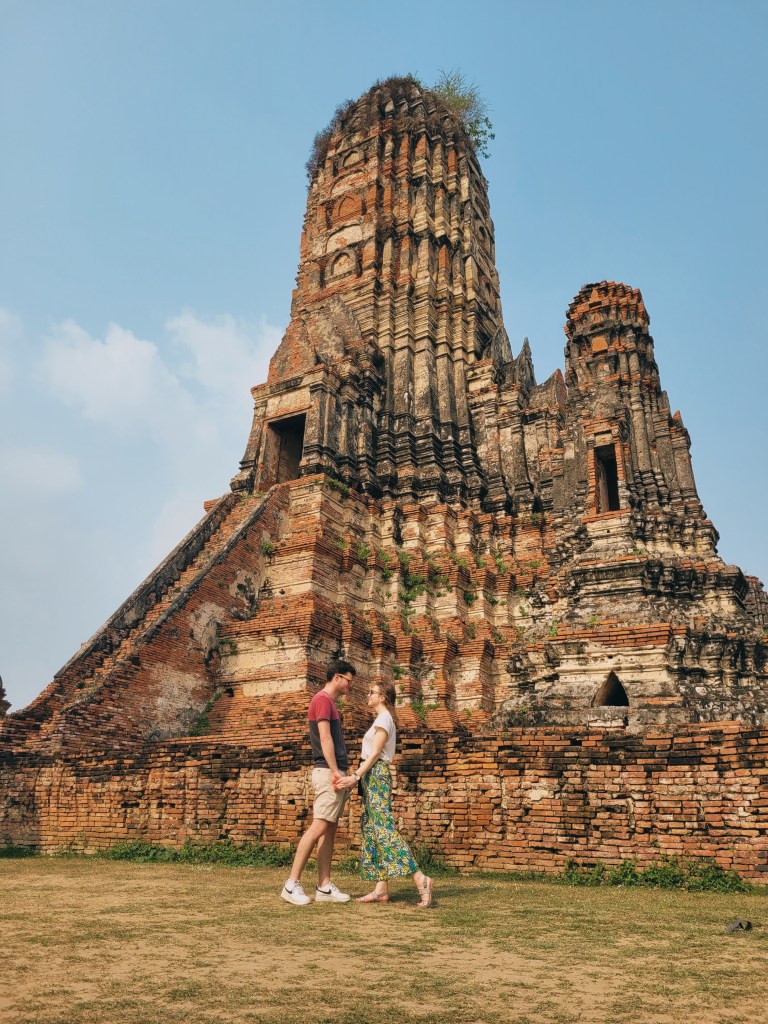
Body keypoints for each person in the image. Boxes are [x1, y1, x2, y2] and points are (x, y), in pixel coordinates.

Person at [336, 681, 433, 907]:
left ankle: (421, 879)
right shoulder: (380, 719)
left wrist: (355, 776)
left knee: (383, 827)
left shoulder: (384, 719)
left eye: (372, 692)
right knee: (371, 827)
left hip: (376, 773)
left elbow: (375, 753)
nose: (368, 695)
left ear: (382, 698)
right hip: (372, 775)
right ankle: (381, 889)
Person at [280, 659, 356, 906]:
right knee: (318, 826)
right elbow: (325, 739)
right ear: (336, 677)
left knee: (329, 828)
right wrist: (336, 772)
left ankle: (324, 885)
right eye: (348, 679)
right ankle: (291, 884)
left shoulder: (330, 703)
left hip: (334, 770)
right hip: (327, 771)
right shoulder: (322, 699)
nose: (349, 685)